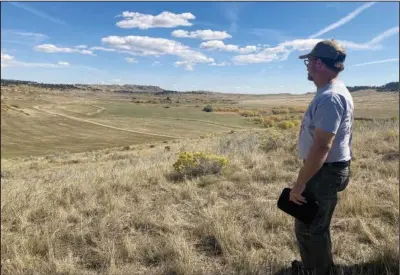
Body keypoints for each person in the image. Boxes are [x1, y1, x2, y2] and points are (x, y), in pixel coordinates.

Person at [289, 39, 354, 275]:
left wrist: (300, 183)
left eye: (308, 61)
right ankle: (314, 267)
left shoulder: (330, 97)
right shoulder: (332, 92)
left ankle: (318, 271)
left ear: (318, 63)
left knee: (310, 227)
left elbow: (321, 147)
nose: (306, 66)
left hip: (323, 171)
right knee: (315, 225)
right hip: (326, 169)